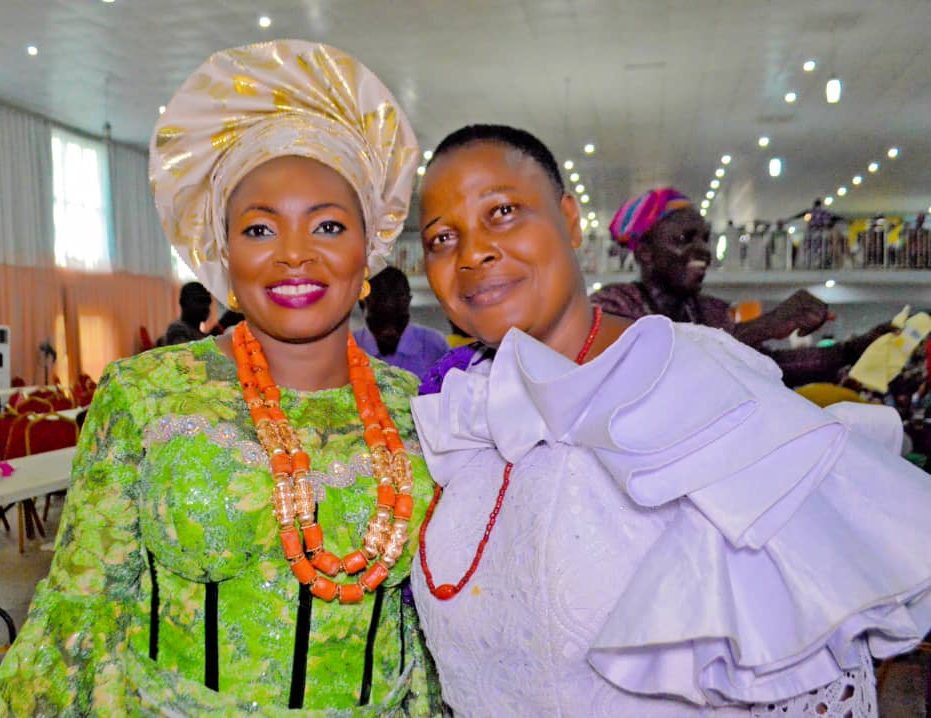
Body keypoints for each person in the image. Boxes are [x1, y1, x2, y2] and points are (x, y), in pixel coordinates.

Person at [0, 40, 440, 716]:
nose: (294, 256)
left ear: (369, 247)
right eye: (259, 229)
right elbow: (79, 609)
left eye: (329, 225)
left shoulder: (423, 410)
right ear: (221, 249)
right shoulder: (145, 395)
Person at [409, 123, 931, 717]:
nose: (472, 251)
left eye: (502, 211)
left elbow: (804, 686)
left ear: (571, 219)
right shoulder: (463, 410)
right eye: (441, 237)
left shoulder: (698, 385)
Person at [592, 188, 888, 387]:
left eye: (705, 239)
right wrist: (762, 327)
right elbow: (658, 374)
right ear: (645, 252)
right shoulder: (613, 306)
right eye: (684, 239)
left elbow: (769, 367)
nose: (703, 250)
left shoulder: (711, 310)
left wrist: (854, 349)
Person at [353, 267, 449, 379]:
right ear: (363, 305)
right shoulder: (347, 349)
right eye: (380, 317)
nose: (389, 331)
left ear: (408, 303)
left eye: (397, 317)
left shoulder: (434, 346)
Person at [159, 281, 215, 346]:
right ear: (183, 302)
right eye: (200, 301)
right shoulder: (178, 330)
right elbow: (188, 353)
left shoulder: (198, 333)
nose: (206, 307)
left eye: (208, 303)